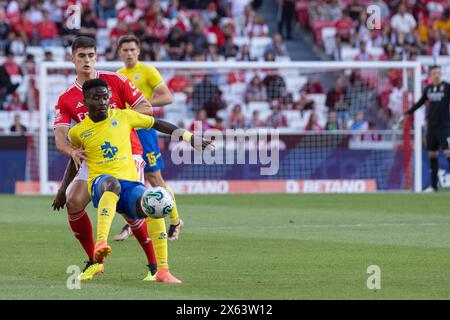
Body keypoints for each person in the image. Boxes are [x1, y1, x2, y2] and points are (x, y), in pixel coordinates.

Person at [68, 78, 211, 279]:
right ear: (85, 101)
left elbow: (158, 123)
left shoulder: (124, 116)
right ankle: (101, 243)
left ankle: (162, 270)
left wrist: (189, 137)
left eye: (105, 97)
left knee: (156, 202)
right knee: (112, 183)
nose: (102, 102)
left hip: (129, 186)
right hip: (101, 184)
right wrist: (62, 190)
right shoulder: (78, 132)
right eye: (96, 98)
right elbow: (74, 161)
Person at [50, 36, 165, 282]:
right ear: (72, 58)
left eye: (91, 55)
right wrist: (72, 151)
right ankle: (94, 261)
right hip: (91, 156)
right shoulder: (66, 98)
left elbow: (146, 108)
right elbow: (60, 136)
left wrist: (115, 118)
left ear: (96, 57)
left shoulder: (114, 81)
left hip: (125, 151)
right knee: (73, 201)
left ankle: (155, 266)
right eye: (81, 56)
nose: (87, 60)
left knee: (129, 211)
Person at [115, 35, 184, 281]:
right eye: (125, 50)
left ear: (139, 50)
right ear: (120, 52)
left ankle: (175, 220)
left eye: (133, 49)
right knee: (133, 176)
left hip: (145, 129)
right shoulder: (118, 74)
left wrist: (138, 106)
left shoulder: (148, 71)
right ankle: (135, 219)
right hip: (127, 131)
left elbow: (167, 97)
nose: (129, 53)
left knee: (154, 177)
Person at [398, 65, 450, 192]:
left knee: (448, 154)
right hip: (431, 128)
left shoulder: (447, 87)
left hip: (444, 127)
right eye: (434, 73)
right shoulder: (429, 89)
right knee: (432, 155)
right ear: (430, 75)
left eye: (438, 73)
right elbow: (420, 102)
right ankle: (433, 186)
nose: (437, 75)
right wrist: (407, 113)